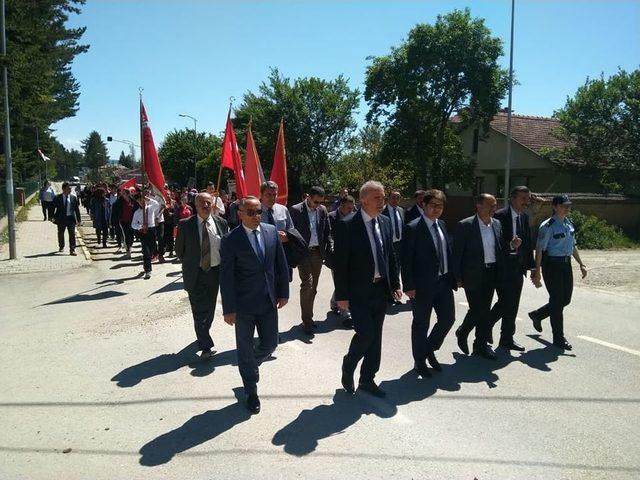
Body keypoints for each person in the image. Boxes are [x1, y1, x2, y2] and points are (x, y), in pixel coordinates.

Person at [220, 196, 289, 414]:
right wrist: (229, 309)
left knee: (270, 345)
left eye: (259, 211)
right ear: (239, 214)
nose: (256, 216)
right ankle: (250, 390)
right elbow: (226, 277)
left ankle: (250, 367)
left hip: (268, 301)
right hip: (243, 306)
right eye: (250, 212)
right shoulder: (231, 239)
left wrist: (283, 292)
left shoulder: (270, 232)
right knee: (244, 349)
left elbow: (280, 264)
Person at [334, 181, 402, 398]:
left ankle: (367, 379)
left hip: (381, 288)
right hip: (358, 291)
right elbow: (341, 264)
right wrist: (341, 296)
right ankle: (349, 364)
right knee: (366, 334)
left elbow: (390, 254)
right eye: (377, 198)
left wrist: (396, 284)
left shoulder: (385, 222)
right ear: (363, 200)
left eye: (382, 197)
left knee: (376, 337)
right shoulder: (347, 225)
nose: (382, 201)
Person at [402, 189, 456, 377]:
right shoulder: (413, 227)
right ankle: (419, 361)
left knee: (448, 319)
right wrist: (408, 285)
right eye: (433, 205)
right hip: (422, 285)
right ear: (423, 205)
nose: (437, 209)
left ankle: (427, 350)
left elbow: (446, 252)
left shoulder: (441, 224)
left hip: (443, 282)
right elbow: (406, 259)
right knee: (421, 324)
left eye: (440, 206)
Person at [528, 194, 587, 350]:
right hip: (552, 266)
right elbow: (539, 250)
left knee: (565, 300)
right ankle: (558, 338)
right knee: (557, 301)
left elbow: (573, 246)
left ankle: (538, 315)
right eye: (563, 205)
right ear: (554, 206)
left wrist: (581, 264)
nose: (567, 208)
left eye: (568, 205)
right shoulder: (547, 226)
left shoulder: (569, 224)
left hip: (566, 265)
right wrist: (538, 272)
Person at [452, 193, 506, 360]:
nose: (493, 208)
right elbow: (457, 253)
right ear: (479, 206)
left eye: (495, 205)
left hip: (492, 272)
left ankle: (480, 345)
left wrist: (511, 245)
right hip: (472, 274)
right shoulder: (466, 225)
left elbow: (498, 247)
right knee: (477, 309)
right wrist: (457, 277)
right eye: (490, 205)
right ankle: (463, 331)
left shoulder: (497, 224)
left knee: (485, 310)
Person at [175, 193, 229, 360]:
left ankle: (202, 333)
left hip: (214, 272)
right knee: (199, 310)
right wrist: (192, 264)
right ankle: (206, 346)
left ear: (212, 204)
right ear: (196, 205)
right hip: (195, 273)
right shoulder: (185, 225)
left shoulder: (221, 223)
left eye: (208, 203)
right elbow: (179, 251)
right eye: (202, 203)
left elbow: (225, 248)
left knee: (210, 310)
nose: (205, 206)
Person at [488, 186, 535, 351]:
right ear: (512, 199)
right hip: (503, 267)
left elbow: (528, 244)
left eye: (528, 199)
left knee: (513, 304)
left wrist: (533, 267)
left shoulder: (524, 217)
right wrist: (509, 245)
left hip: (518, 267)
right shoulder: (499, 216)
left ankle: (507, 338)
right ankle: (486, 324)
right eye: (523, 198)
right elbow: (493, 242)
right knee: (505, 302)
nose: (526, 202)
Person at [289, 185, 332, 334]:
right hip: (303, 253)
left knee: (314, 288)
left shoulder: (322, 210)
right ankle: (306, 321)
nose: (318, 205)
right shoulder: (295, 210)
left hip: (317, 253)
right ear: (308, 197)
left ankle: (309, 317)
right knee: (307, 284)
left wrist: (330, 246)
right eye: (315, 202)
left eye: (320, 202)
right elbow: (291, 231)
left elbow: (327, 231)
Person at [328, 195, 355, 327]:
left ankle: (334, 302)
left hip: (351, 256)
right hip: (337, 255)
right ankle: (347, 315)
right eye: (349, 207)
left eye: (352, 207)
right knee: (341, 282)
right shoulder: (331, 217)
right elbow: (328, 235)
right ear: (341, 206)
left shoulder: (354, 216)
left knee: (346, 282)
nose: (351, 210)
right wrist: (332, 249)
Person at [131, 192, 161, 279]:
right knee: (146, 251)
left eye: (142, 200)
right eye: (139, 201)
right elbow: (133, 224)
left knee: (152, 249)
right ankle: (148, 270)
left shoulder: (151, 208)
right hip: (143, 232)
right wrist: (140, 226)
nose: (141, 202)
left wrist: (147, 199)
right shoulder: (137, 212)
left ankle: (153, 256)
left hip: (152, 230)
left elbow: (157, 204)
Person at [381, 190, 405, 300]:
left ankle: (395, 293)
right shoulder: (382, 211)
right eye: (393, 197)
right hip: (387, 245)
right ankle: (388, 294)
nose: (395, 200)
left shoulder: (401, 211)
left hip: (399, 244)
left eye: (398, 198)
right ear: (388, 198)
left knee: (397, 269)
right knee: (388, 268)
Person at [52, 182, 81, 255]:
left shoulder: (73, 198)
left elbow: (76, 210)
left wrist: (79, 220)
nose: (70, 189)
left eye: (70, 188)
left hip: (70, 219)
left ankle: (72, 249)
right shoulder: (57, 198)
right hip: (61, 219)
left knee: (72, 234)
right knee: (61, 233)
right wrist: (52, 217)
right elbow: (52, 208)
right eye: (68, 188)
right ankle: (61, 246)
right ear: (63, 189)